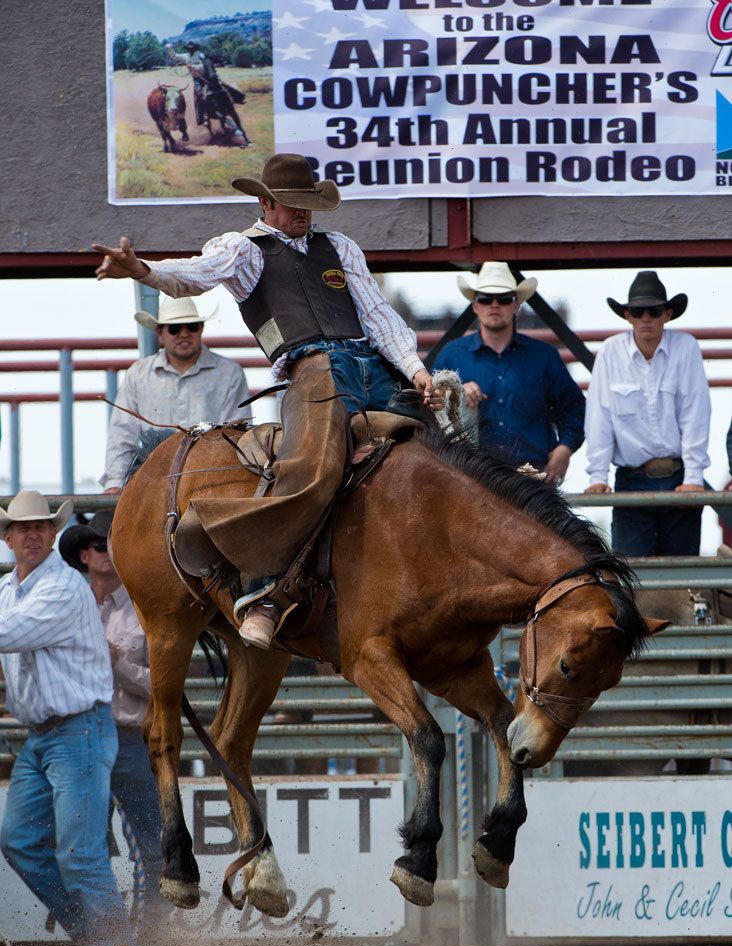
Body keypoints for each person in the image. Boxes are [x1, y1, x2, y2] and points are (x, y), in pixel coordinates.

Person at [93, 153, 439, 651]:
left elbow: (379, 316)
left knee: (437, 449)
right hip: (312, 368)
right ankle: (264, 589)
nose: (303, 214)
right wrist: (143, 271)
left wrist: (416, 370)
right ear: (265, 203)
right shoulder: (243, 249)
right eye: (292, 204)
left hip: (371, 364)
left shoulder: (339, 246)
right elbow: (196, 273)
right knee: (314, 468)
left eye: (308, 204)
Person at [0, 491, 132, 946]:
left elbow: (9, 634)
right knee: (19, 842)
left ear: (52, 535)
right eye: (23, 528)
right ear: (8, 536)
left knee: (79, 855)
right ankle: (99, 940)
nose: (32, 534)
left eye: (40, 527)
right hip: (46, 735)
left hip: (78, 731)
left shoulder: (62, 586)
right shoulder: (9, 590)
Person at [58, 510, 166, 933]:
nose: (110, 553)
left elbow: (164, 686)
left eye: (117, 545)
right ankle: (100, 937)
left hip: (128, 737)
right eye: (103, 545)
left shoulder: (146, 610)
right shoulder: (69, 605)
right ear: (85, 554)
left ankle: (151, 938)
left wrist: (118, 662)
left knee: (151, 845)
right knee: (81, 849)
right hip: (80, 738)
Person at [584, 270, 711, 556]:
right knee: (629, 573)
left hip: (679, 478)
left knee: (684, 576)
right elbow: (599, 417)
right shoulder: (609, 352)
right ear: (627, 315)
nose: (645, 318)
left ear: (667, 314)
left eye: (653, 311)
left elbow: (695, 413)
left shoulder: (686, 348)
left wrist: (693, 478)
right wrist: (598, 477)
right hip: (630, 480)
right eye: (638, 311)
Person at [432, 262, 585, 484]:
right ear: (475, 305)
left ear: (516, 305)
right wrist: (455, 394)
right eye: (486, 298)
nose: (495, 305)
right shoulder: (451, 355)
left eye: (504, 299)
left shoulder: (544, 356)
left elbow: (574, 408)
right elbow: (429, 411)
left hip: (533, 479)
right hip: (472, 478)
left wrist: (565, 449)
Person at [102, 295, 251, 492]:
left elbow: (236, 437)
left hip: (209, 481)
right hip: (152, 481)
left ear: (200, 329)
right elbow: (122, 436)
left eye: (192, 326)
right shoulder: (137, 375)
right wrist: (114, 483)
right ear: (160, 333)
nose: (184, 334)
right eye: (174, 328)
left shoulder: (230, 373)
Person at [166, 40, 252, 146]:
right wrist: (170, 48)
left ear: (196, 48)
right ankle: (203, 116)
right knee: (198, 95)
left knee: (224, 85)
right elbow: (175, 57)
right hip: (198, 80)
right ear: (188, 49)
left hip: (207, 76)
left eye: (193, 47)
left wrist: (194, 67)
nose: (191, 49)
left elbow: (205, 64)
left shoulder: (200, 55)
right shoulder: (185, 56)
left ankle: (239, 97)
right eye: (189, 48)